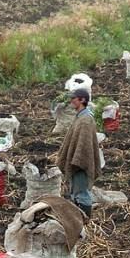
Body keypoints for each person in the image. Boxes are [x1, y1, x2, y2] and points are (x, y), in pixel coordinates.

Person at [56, 88, 101, 218]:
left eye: (73, 98)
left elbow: (85, 145)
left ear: (82, 100)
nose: (71, 101)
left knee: (82, 193)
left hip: (81, 162)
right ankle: (78, 217)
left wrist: (78, 160)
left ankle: (85, 218)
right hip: (76, 160)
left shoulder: (86, 120)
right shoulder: (80, 117)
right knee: (75, 191)